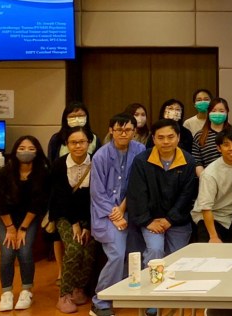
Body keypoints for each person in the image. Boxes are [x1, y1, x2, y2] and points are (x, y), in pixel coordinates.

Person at [89, 114, 145, 316]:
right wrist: (115, 213)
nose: (123, 133)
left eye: (128, 130)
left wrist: (123, 208)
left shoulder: (140, 150)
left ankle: (130, 294)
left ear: (134, 132)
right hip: (105, 213)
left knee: (136, 254)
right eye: (119, 130)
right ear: (111, 131)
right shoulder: (100, 156)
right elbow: (97, 192)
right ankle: (100, 301)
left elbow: (138, 183)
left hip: (132, 209)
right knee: (117, 254)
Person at [127, 119, 198, 265]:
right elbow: (137, 194)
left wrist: (170, 219)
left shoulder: (189, 161)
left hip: (178, 221)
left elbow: (187, 195)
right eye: (160, 137)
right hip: (151, 220)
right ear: (153, 139)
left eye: (170, 137)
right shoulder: (141, 161)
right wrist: (148, 221)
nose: (166, 142)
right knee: (155, 251)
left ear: (178, 137)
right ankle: (149, 280)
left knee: (178, 258)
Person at [0, 136, 48, 312]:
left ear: (37, 152)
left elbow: (38, 204)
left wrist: (23, 228)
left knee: (24, 252)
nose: (26, 152)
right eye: (22, 148)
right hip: (5, 218)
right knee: (7, 253)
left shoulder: (42, 174)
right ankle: (6, 292)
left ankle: (26, 291)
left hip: (28, 218)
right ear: (15, 150)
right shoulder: (4, 173)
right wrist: (10, 229)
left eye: (31, 149)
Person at [49, 127, 98, 314]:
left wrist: (88, 225)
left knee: (89, 249)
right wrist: (75, 223)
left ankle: (79, 288)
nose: (78, 146)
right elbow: (60, 198)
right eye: (73, 142)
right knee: (74, 248)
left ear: (89, 143)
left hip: (90, 215)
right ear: (67, 144)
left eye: (82, 142)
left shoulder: (96, 161)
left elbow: (97, 196)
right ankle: (64, 294)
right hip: (64, 215)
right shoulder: (59, 165)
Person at [192, 128, 232, 243]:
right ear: (219, 148)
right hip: (211, 218)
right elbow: (206, 208)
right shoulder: (209, 174)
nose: (231, 148)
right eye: (226, 145)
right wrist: (213, 237)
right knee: (212, 251)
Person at [192, 97, 232, 175]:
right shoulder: (199, 135)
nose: (217, 113)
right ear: (208, 113)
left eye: (221, 111)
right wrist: (205, 178)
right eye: (214, 111)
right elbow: (197, 161)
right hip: (207, 178)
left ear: (227, 112)